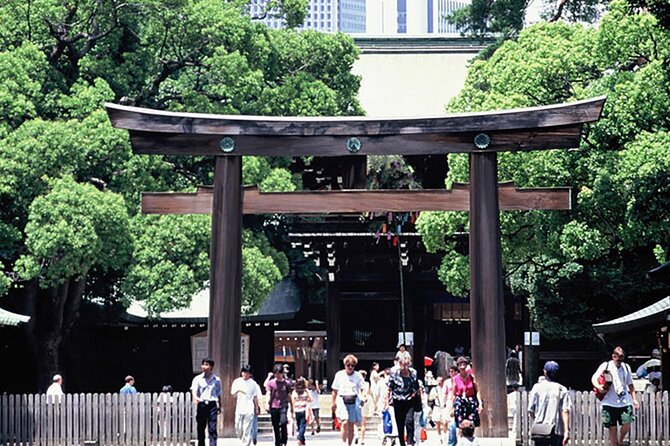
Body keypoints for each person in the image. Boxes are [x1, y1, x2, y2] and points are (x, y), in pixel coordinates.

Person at [591, 346, 639, 446]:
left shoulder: (626, 367)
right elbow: (594, 378)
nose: (619, 361)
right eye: (618, 359)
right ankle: (614, 444)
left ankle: (620, 441)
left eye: (622, 358)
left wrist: (634, 399)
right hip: (609, 401)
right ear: (613, 356)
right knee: (612, 427)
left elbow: (630, 384)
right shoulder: (606, 365)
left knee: (627, 424)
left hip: (624, 401)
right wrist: (599, 387)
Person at [528, 361, 570, 446]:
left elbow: (530, 410)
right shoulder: (562, 389)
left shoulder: (536, 387)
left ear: (545, 372)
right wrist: (566, 431)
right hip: (557, 430)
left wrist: (536, 420)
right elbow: (565, 411)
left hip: (540, 430)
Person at [386, 356, 421, 446]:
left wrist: (416, 394)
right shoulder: (394, 373)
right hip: (397, 400)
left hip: (409, 400)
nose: (403, 366)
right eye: (401, 364)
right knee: (400, 423)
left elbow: (417, 387)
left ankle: (410, 441)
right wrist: (386, 402)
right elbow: (389, 388)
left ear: (408, 364)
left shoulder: (413, 373)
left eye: (405, 364)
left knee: (409, 421)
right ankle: (402, 443)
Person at [331, 354, 365, 446]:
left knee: (351, 424)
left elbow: (363, 388)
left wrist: (363, 396)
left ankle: (349, 444)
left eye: (352, 365)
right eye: (348, 365)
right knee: (345, 421)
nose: (350, 367)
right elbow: (334, 390)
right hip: (342, 399)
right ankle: (343, 442)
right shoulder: (339, 375)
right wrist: (333, 403)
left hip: (354, 399)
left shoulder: (358, 375)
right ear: (345, 365)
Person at [191, 358, 223, 446]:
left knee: (212, 428)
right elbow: (194, 391)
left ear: (211, 367)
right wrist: (196, 398)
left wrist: (220, 406)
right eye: (203, 364)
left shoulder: (216, 380)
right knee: (201, 427)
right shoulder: (197, 379)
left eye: (207, 365)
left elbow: (219, 393)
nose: (204, 367)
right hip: (202, 404)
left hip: (212, 405)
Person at [231, 364, 260, 446]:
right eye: (244, 372)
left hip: (249, 408)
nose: (245, 374)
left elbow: (255, 396)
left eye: (247, 373)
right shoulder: (237, 382)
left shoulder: (253, 383)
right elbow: (232, 394)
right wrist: (238, 390)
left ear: (250, 374)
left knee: (247, 428)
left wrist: (256, 408)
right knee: (238, 427)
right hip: (239, 408)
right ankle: (242, 439)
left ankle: (245, 444)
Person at [451, 357, 483, 431]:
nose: (462, 367)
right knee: (460, 421)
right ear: (458, 367)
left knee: (472, 421)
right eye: (460, 365)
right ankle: (461, 435)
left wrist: (480, 403)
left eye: (464, 364)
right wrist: (451, 407)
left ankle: (471, 435)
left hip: (470, 400)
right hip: (460, 401)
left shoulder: (471, 377)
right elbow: (453, 394)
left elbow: (477, 390)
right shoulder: (455, 378)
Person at [265, 363, 293, 446]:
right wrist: (267, 403)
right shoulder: (271, 383)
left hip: (283, 405)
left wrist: (292, 407)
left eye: (279, 373)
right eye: (276, 373)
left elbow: (289, 395)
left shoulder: (287, 383)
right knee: (275, 425)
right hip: (273, 406)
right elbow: (268, 393)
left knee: (283, 422)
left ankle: (284, 440)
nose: (278, 375)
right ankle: (277, 442)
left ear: (282, 373)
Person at [291, 378, 312, 446]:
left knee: (299, 426)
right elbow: (311, 399)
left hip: (297, 410)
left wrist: (292, 411)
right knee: (302, 426)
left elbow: (292, 402)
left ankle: (301, 440)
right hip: (304, 410)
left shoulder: (294, 392)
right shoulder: (306, 391)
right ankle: (300, 439)